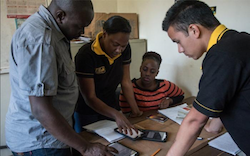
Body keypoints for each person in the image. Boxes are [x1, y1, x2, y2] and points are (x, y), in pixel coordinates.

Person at [5, 0, 118, 156]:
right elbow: (40, 109)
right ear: (60, 16)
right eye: (79, 26)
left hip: (53, 136)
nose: (82, 31)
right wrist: (86, 148)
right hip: (41, 142)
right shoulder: (41, 39)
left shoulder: (56, 33)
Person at [162, 0, 250, 155]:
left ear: (194, 30)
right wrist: (214, 125)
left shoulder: (222, 54)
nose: (179, 50)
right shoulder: (239, 41)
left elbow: (195, 121)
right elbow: (231, 93)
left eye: (178, 41)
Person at [74, 15, 143, 134]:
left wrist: (135, 111)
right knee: (91, 145)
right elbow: (89, 97)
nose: (119, 50)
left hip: (111, 106)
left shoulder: (124, 49)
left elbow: (125, 81)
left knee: (114, 141)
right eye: (115, 44)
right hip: (87, 110)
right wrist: (116, 114)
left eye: (123, 46)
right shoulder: (86, 55)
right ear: (104, 34)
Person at [119, 51, 184, 113]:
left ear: (157, 73)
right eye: (145, 69)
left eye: (152, 71)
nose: (147, 74)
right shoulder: (129, 89)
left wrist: (169, 101)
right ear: (140, 68)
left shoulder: (164, 85)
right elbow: (126, 114)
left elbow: (181, 95)